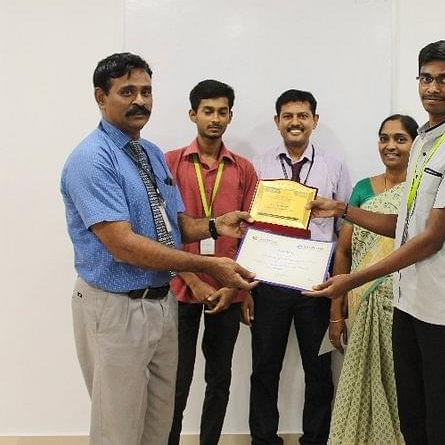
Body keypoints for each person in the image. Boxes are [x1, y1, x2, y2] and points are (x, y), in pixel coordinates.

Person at [61, 53, 255, 445]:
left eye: (146, 91)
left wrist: (216, 224)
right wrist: (208, 265)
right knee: (118, 429)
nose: (140, 101)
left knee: (159, 424)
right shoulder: (92, 159)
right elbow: (124, 245)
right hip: (115, 307)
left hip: (161, 303)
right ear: (100, 97)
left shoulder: (149, 152)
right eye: (127, 91)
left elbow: (171, 224)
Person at [306, 40, 445, 445]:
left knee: (442, 424)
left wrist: (351, 281)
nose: (433, 88)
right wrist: (342, 209)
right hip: (407, 303)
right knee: (412, 419)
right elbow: (405, 225)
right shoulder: (424, 140)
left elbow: (431, 239)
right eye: (426, 78)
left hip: (443, 309)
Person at [250, 89, 352, 445]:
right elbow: (250, 226)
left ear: (314, 121)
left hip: (316, 284)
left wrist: (339, 284)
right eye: (288, 116)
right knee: (264, 368)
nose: (295, 122)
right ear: (277, 121)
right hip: (269, 282)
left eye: (303, 116)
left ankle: (316, 439)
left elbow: (345, 228)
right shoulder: (259, 165)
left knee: (319, 368)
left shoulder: (334, 166)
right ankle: (263, 439)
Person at [165, 79, 258, 445]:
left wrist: (238, 289)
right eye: (208, 111)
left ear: (230, 117)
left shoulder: (244, 169)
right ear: (193, 114)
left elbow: (252, 236)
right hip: (179, 288)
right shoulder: (170, 163)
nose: (215, 119)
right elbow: (163, 230)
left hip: (227, 292)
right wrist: (194, 280)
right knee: (176, 381)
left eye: (222, 112)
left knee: (219, 380)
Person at [327, 113, 419, 445]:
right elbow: (344, 251)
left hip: (405, 301)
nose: (390, 146)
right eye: (384, 138)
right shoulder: (363, 189)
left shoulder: (420, 191)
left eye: (400, 139)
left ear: (415, 144)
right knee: (362, 379)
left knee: (401, 382)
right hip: (362, 299)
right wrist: (335, 313)